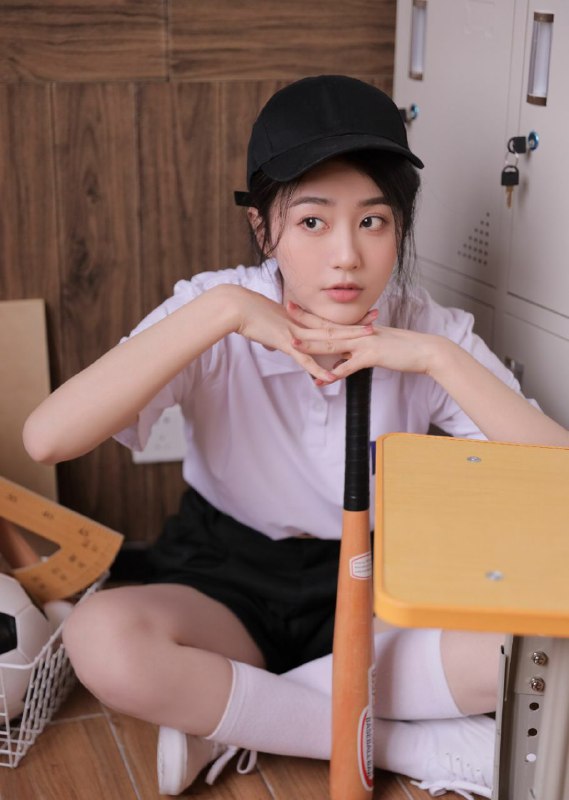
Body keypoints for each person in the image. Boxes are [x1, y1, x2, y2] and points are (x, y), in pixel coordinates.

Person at [23, 75, 569, 799]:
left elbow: (557, 473)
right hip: (224, 578)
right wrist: (221, 312)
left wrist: (436, 359)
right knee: (101, 639)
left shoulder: (426, 326)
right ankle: (410, 744)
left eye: (373, 221)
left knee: (535, 645)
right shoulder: (215, 307)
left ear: (400, 227)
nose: (346, 255)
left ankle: (235, 716)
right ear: (262, 228)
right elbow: (46, 438)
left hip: (377, 584)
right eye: (312, 221)